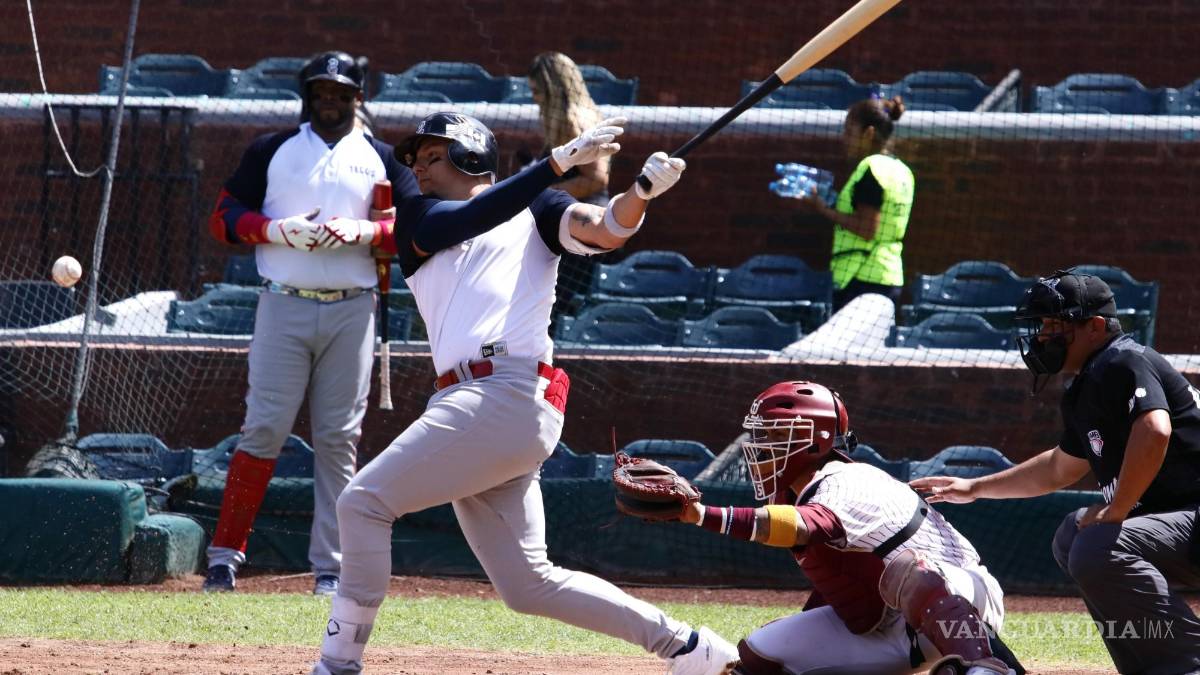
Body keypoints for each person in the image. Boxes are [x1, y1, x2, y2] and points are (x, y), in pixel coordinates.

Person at [309, 111, 737, 675]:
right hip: (474, 405)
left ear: (470, 155)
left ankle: (337, 664)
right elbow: (476, 215)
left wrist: (641, 193)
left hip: (504, 394)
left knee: (362, 502)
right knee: (528, 584)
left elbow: (606, 229)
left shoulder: (540, 208)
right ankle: (688, 647)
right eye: (416, 160)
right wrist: (555, 164)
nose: (419, 170)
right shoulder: (421, 217)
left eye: (432, 156)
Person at [204, 51, 418, 596]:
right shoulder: (272, 149)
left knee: (338, 439)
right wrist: (274, 230)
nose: (330, 101)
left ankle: (332, 568)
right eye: (321, 91)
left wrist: (368, 233)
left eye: (341, 93)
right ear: (307, 95)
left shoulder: (381, 157)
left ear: (358, 98)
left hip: (354, 307)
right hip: (284, 303)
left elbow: (418, 229)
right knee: (263, 429)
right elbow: (224, 217)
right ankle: (224, 559)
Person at [912, 269, 1200, 674]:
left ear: (1095, 327)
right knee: (1072, 536)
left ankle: (1188, 665)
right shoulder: (1089, 383)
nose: (1044, 336)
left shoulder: (1123, 360)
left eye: (1055, 326)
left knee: (1098, 544)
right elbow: (1058, 468)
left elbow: (1155, 429)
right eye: (1043, 326)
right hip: (1187, 524)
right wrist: (974, 487)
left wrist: (1117, 509)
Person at [673, 380, 1023, 675]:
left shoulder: (845, 479)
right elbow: (845, 582)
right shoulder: (799, 495)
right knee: (761, 653)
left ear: (817, 439)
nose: (763, 447)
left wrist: (701, 514)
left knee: (910, 571)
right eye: (762, 435)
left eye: (777, 434)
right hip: (893, 626)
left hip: (964, 601)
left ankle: (986, 669)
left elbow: (803, 526)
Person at [785, 96, 915, 312]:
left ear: (869, 134)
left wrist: (824, 209)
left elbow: (867, 229)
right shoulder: (902, 171)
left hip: (861, 279)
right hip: (889, 275)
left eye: (849, 132)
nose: (844, 138)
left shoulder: (871, 170)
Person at [527, 51, 612, 206]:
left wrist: (539, 194)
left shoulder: (570, 121)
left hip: (584, 210)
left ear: (553, 90)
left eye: (537, 91)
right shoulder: (583, 113)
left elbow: (597, 180)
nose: (534, 97)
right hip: (574, 208)